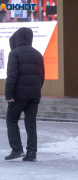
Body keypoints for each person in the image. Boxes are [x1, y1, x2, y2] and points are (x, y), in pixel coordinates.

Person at [5, 27, 45, 161]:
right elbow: (42, 76)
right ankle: (31, 154)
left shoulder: (14, 53)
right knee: (31, 124)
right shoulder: (38, 54)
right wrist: (36, 90)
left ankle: (17, 149)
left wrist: (9, 94)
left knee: (11, 119)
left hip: (18, 95)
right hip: (34, 95)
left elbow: (12, 76)